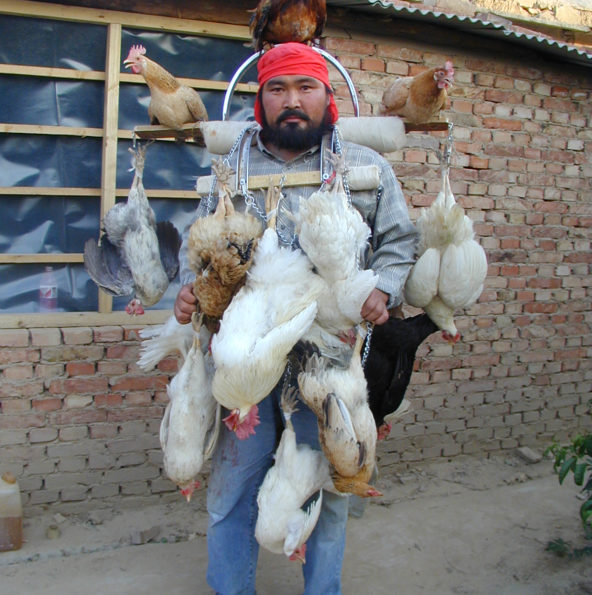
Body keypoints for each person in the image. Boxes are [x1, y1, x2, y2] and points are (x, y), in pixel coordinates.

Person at [174, 42, 417, 595]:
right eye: (277, 89)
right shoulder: (228, 168)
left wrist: (384, 285)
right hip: (246, 354)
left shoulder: (364, 166)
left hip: (328, 352)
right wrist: (189, 293)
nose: (292, 101)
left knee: (324, 486)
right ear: (260, 100)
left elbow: (401, 240)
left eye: (305, 88)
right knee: (233, 491)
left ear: (327, 99)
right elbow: (196, 252)